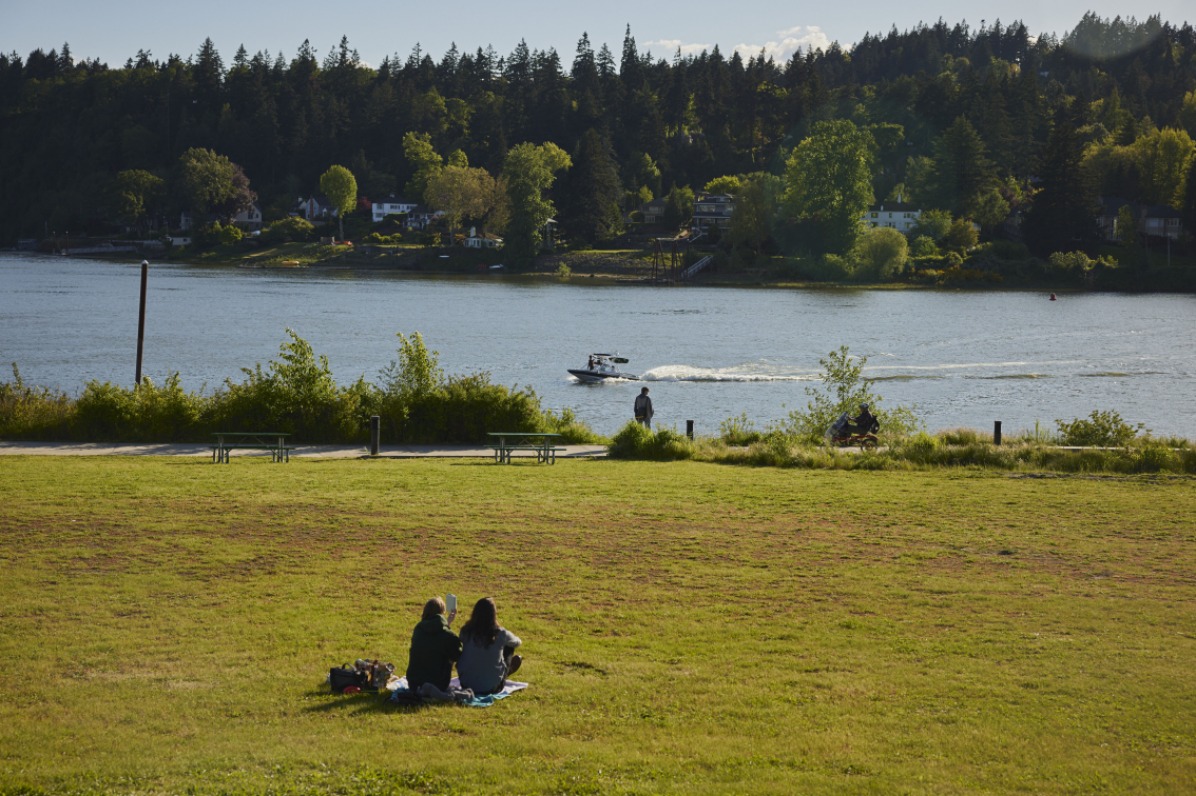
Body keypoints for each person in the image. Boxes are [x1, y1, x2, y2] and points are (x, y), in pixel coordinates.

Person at [456, 597, 522, 696]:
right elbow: (517, 642)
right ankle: (504, 673)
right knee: (509, 647)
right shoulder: (500, 634)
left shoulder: (465, 631)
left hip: (466, 684)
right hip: (491, 688)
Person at [404, 596, 461, 696]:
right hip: (437, 683)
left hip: (413, 683)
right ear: (442, 613)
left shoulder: (418, 630)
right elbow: (457, 653)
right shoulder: (448, 635)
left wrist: (447, 624)